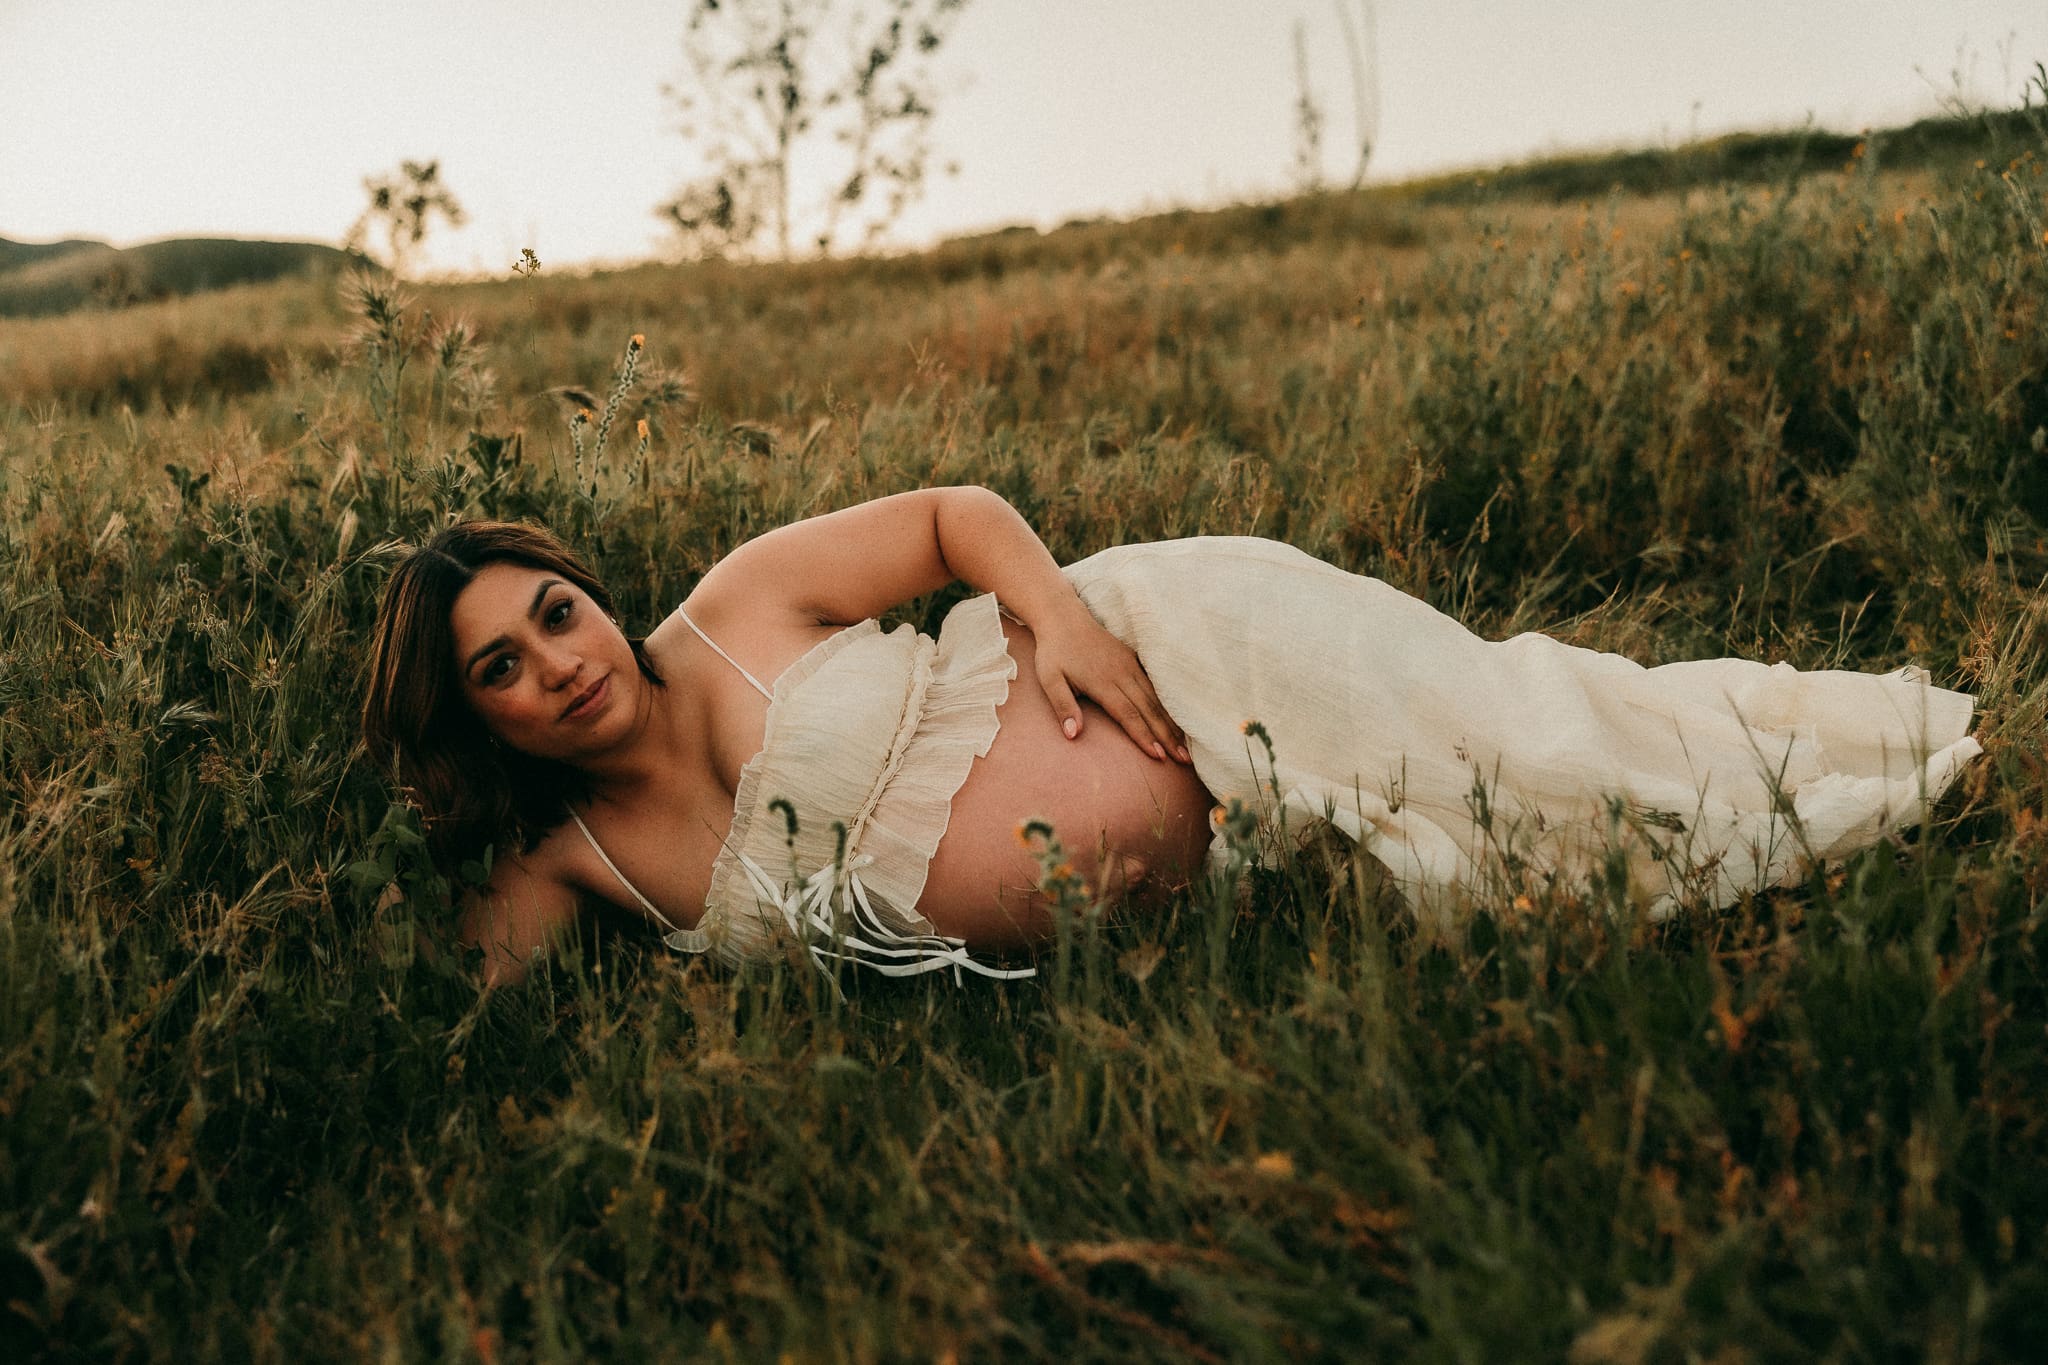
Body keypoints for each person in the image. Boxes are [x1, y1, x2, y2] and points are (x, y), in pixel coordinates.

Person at [360, 485, 1982, 986]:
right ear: (476, 718)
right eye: (500, 666)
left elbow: (953, 514)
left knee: (1537, 755)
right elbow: (439, 1011)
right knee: (1507, 865)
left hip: (1182, 642)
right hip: (1190, 875)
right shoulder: (579, 859)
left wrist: (1060, 615)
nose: (556, 662)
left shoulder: (732, 604)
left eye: (553, 611)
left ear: (585, 591)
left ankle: (1829, 758)